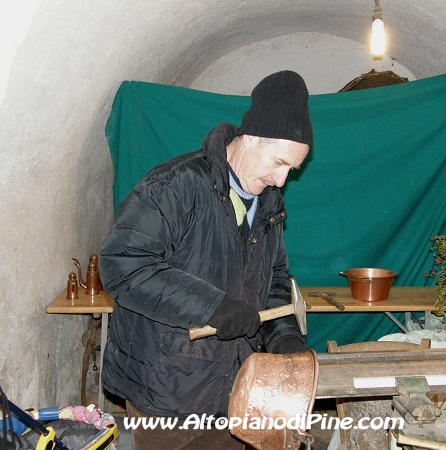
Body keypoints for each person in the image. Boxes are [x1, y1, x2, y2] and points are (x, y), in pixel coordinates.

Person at [99, 70, 314, 450]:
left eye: (291, 170)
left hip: (232, 384)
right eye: (278, 162)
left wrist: (282, 338)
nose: (281, 180)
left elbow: (274, 278)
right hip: (166, 388)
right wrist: (213, 307)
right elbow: (123, 264)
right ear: (249, 139)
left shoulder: (268, 204)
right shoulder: (175, 186)